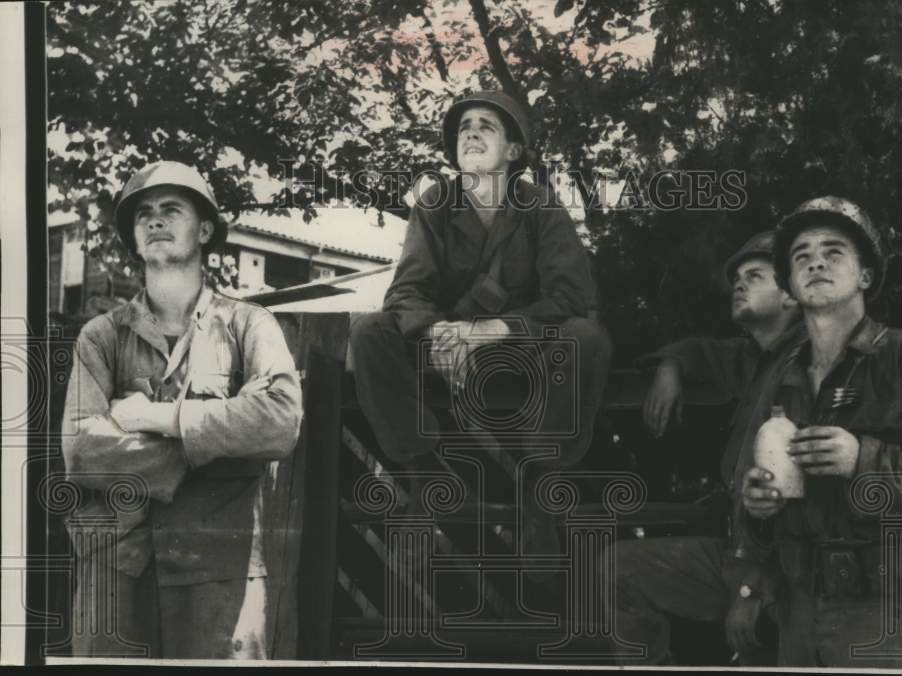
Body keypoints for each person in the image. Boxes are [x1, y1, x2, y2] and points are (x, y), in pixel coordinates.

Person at [61, 161, 303, 658]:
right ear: (132, 237)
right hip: (117, 562)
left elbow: (279, 420)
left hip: (220, 567)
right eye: (143, 213)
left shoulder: (248, 326)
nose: (155, 220)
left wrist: (164, 419)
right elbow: (83, 450)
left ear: (206, 228)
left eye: (171, 208)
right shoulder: (102, 337)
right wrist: (211, 450)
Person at [350, 91, 612, 545]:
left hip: (525, 357)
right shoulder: (435, 204)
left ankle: (539, 485)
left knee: (586, 337)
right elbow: (408, 291)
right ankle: (424, 475)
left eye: (485, 126)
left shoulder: (543, 208)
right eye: (464, 126)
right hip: (448, 359)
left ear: (513, 152)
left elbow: (570, 297)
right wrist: (438, 335)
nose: (470, 131)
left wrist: (494, 330)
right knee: (369, 331)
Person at [738, 196, 902, 668]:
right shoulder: (780, 378)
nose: (816, 262)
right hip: (797, 611)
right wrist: (757, 507)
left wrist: (863, 459)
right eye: (801, 256)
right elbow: (762, 509)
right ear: (790, 284)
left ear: (865, 276)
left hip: (887, 613)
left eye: (834, 251)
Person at [615, 230, 803, 664]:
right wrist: (671, 365)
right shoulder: (756, 357)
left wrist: (752, 587)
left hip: (782, 572)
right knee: (616, 568)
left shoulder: (809, 363)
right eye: (736, 277)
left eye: (755, 275)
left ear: (792, 295)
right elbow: (703, 351)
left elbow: (794, 503)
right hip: (740, 555)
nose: (739, 284)